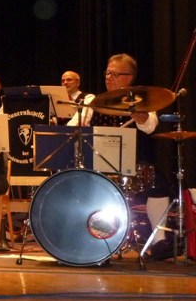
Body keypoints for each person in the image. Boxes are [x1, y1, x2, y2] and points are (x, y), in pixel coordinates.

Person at [67, 53, 174, 260]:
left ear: (129, 78)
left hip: (131, 163)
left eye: (114, 74)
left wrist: (141, 118)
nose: (108, 77)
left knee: (158, 182)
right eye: (107, 73)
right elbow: (73, 127)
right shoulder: (93, 101)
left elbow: (150, 126)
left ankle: (158, 241)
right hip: (97, 162)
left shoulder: (142, 102)